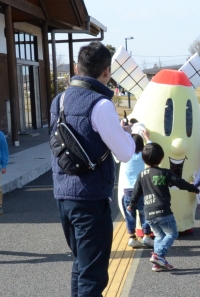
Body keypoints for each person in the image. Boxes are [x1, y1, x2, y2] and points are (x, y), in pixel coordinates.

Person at [49, 41, 135, 297]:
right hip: (90, 197)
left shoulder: (60, 100)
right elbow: (126, 152)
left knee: (80, 266)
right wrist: (125, 134)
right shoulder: (101, 104)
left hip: (63, 195)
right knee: (93, 276)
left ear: (77, 67)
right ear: (106, 72)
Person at [128, 143, 199, 272]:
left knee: (159, 236)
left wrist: (131, 205)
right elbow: (180, 183)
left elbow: (136, 192)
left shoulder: (142, 175)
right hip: (163, 211)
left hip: (149, 213)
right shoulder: (164, 172)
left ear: (144, 159)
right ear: (161, 158)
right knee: (172, 233)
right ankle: (158, 255)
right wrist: (194, 188)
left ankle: (157, 263)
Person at [121, 128, 154, 248]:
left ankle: (132, 238)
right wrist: (147, 137)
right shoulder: (141, 156)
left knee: (130, 217)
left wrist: (123, 130)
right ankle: (147, 237)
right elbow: (151, 149)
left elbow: (120, 144)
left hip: (128, 193)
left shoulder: (124, 155)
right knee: (145, 215)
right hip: (141, 192)